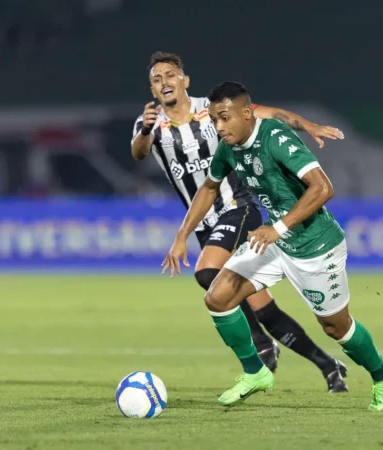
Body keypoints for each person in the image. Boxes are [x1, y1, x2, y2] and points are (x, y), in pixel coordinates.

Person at [162, 80, 383, 411]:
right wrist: (181, 236)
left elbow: (323, 188)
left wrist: (279, 227)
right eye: (214, 119)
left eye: (225, 118)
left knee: (335, 327)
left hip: (315, 245)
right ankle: (255, 372)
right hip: (274, 241)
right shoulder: (229, 148)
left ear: (247, 113)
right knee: (218, 296)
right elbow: (209, 188)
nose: (219, 126)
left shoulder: (275, 138)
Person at [132, 51, 347, 392]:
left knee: (205, 272)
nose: (164, 82)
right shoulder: (151, 123)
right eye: (156, 80)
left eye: (170, 75)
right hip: (206, 223)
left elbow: (269, 114)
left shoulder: (216, 108)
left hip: (238, 206)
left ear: (184, 79)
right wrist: (144, 129)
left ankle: (260, 347)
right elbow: (139, 152)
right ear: (152, 89)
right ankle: (328, 365)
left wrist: (308, 125)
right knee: (261, 307)